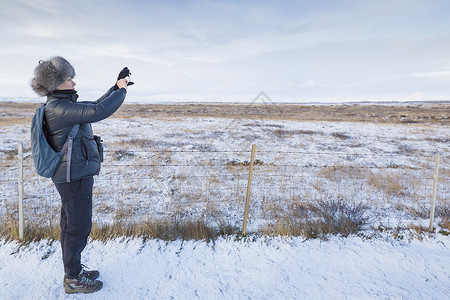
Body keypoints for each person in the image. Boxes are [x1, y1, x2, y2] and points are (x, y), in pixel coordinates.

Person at [31, 56, 130, 294]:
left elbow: (94, 104)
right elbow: (98, 111)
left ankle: (73, 271)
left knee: (71, 225)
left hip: (72, 175)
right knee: (78, 227)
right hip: (72, 177)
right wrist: (123, 92)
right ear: (56, 84)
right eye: (69, 79)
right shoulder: (60, 109)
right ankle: (73, 279)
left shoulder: (61, 105)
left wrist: (115, 87)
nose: (74, 83)